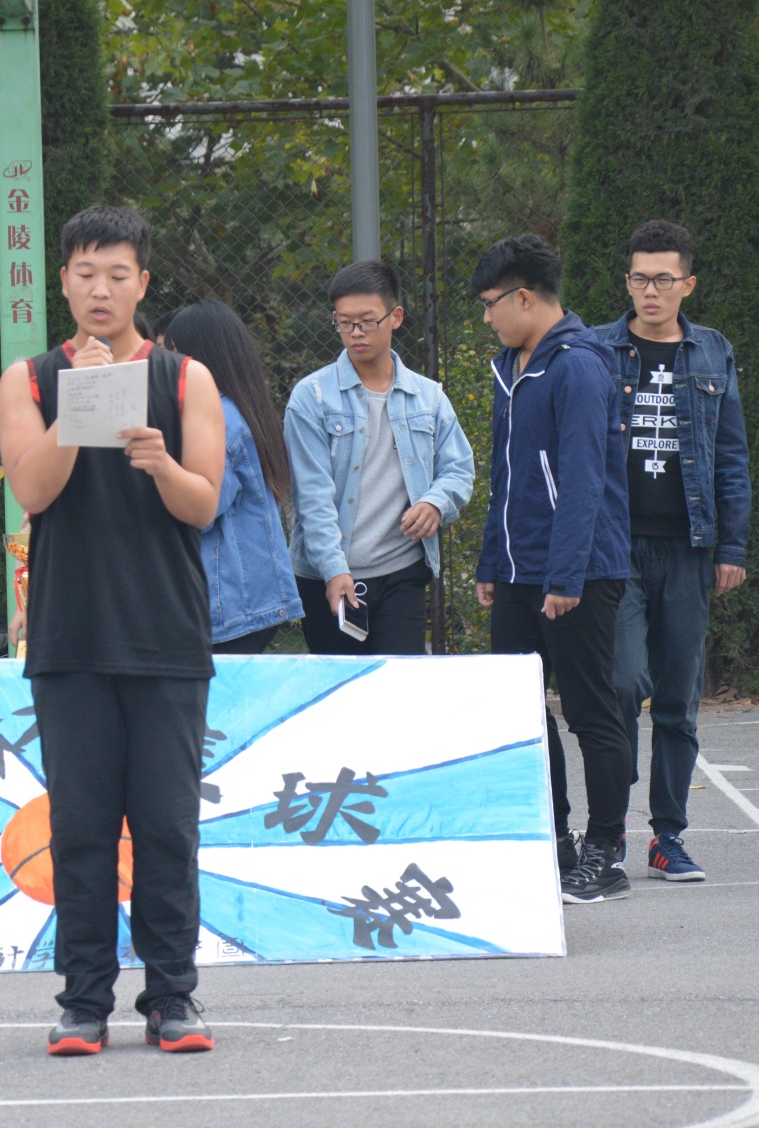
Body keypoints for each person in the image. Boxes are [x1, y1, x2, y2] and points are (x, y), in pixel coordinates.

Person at [0, 206, 224, 1056]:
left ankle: (173, 997)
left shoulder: (186, 378)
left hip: (166, 634)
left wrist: (162, 462)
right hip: (71, 636)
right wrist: (79, 405)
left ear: (143, 284)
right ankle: (83, 1002)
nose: (101, 289)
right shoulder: (28, 379)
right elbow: (33, 492)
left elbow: (203, 505)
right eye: (86, 273)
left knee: (167, 828)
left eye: (118, 274)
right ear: (61, 281)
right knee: (82, 830)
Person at [471, 234, 633, 904]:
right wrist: (491, 560)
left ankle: (606, 851)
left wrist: (565, 578)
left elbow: (584, 480)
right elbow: (507, 476)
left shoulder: (579, 366)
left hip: (578, 574)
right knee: (522, 712)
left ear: (524, 297)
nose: (487, 318)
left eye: (490, 304)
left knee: (591, 713)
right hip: (518, 571)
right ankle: (554, 840)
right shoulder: (512, 366)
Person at [595, 220, 751, 882]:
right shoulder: (597, 348)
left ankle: (668, 835)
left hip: (688, 549)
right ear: (627, 281)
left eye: (663, 279)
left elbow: (731, 455)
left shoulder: (712, 351)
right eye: (639, 278)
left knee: (679, 701)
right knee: (622, 683)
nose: (650, 291)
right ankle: (610, 831)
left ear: (687, 283)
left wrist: (731, 545)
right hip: (616, 549)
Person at [284, 260, 474, 656]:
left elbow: (459, 468)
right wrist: (334, 569)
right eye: (344, 322)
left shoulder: (429, 397)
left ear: (395, 317)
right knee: (341, 689)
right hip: (326, 577)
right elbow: (312, 496)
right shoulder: (311, 398)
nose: (355, 333)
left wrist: (435, 502)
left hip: (402, 571)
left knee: (398, 684)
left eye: (367, 321)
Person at [163, 300, 303, 653]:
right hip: (244, 599)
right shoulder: (237, 408)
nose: (168, 366)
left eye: (175, 354)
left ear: (202, 357)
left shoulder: (218, 418)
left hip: (229, 604)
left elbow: (201, 511)